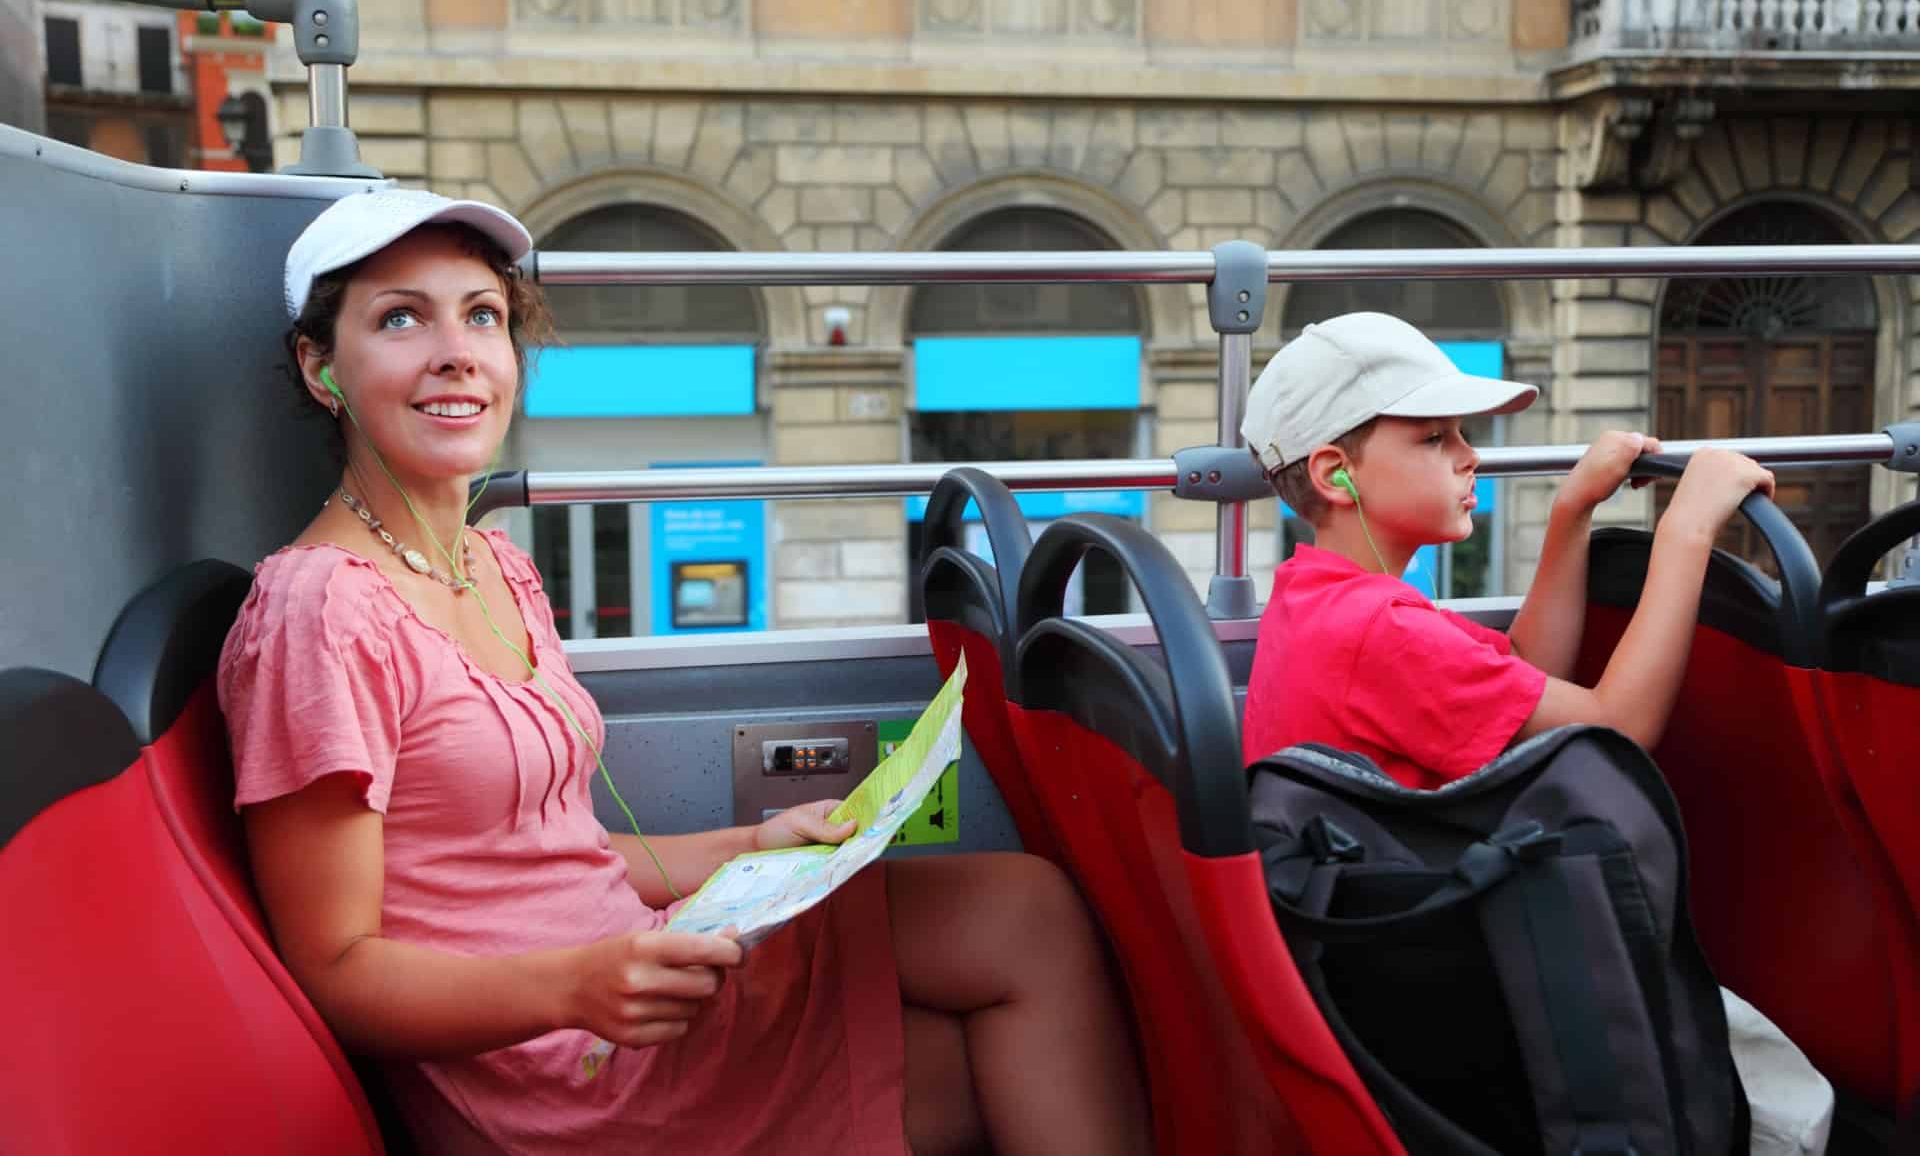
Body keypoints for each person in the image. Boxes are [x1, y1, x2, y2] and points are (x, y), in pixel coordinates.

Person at [218, 189, 1150, 1156]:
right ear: (321, 367)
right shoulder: (318, 613)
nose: (456, 350)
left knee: (1026, 909)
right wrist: (577, 984)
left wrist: (753, 840)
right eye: (400, 317)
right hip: (562, 1063)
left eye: (482, 314)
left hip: (637, 978)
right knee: (994, 1049)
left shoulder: (496, 563)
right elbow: (334, 967)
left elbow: (542, 858)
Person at [1238, 310, 1832, 1155]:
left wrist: (1571, 512)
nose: (1468, 456)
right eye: (1436, 437)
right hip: (1442, 983)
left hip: (1393, 951)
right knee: (1786, 1099)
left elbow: (1518, 680)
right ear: (1340, 474)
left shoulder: (1326, 599)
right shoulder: (1381, 631)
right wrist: (1689, 528)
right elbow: (1617, 732)